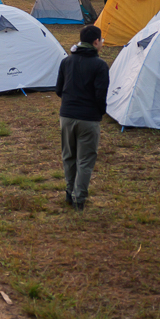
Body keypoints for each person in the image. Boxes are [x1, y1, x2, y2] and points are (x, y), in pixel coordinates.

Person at [55, 25, 109, 211]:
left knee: (68, 156)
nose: (102, 43)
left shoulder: (67, 62)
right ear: (95, 42)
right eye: (101, 40)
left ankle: (70, 193)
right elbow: (101, 95)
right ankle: (80, 198)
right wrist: (99, 112)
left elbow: (58, 89)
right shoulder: (100, 65)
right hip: (88, 119)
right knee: (85, 160)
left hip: (67, 116)